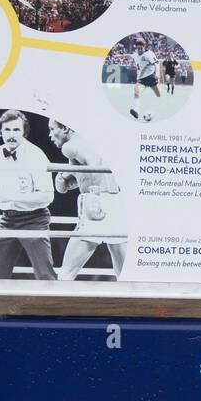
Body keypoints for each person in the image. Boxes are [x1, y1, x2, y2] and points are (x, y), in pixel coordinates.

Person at [0, 109, 57, 281]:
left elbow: (47, 197)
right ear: (0, 131)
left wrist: (13, 197)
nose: (11, 135)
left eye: (16, 130)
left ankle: (53, 307)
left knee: (45, 274)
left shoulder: (36, 156)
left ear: (24, 132)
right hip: (7, 220)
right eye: (7, 130)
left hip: (34, 220)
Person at [49, 120, 126, 281]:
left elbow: (94, 164)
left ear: (65, 128)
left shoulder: (69, 146)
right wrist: (66, 176)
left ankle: (55, 305)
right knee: (124, 273)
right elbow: (86, 173)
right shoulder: (91, 142)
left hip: (96, 200)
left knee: (66, 272)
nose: (50, 135)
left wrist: (94, 194)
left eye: (52, 129)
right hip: (115, 202)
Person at [130, 35, 161, 121]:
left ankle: (152, 111)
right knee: (136, 91)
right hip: (141, 79)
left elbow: (156, 64)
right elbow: (129, 55)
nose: (140, 50)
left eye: (141, 48)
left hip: (151, 77)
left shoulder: (149, 54)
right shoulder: (135, 54)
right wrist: (118, 56)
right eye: (138, 48)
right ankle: (136, 110)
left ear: (144, 46)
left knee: (159, 95)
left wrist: (158, 74)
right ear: (136, 47)